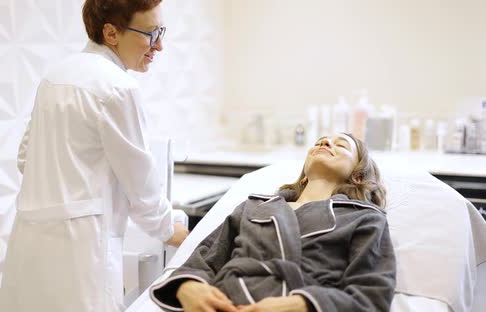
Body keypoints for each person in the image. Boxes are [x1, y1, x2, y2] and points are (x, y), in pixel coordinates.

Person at [0, 1, 189, 311]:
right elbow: (140, 186)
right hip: (83, 255)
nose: (160, 45)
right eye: (151, 34)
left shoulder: (55, 77)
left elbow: (25, 159)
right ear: (111, 33)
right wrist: (171, 229)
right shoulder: (118, 88)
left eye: (161, 31)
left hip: (31, 244)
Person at [150, 133, 396, 312]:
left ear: (358, 174)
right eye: (320, 141)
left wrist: (300, 304)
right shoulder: (254, 207)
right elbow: (201, 261)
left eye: (340, 145)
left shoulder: (365, 218)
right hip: (224, 303)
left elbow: (371, 294)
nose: (325, 142)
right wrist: (189, 288)